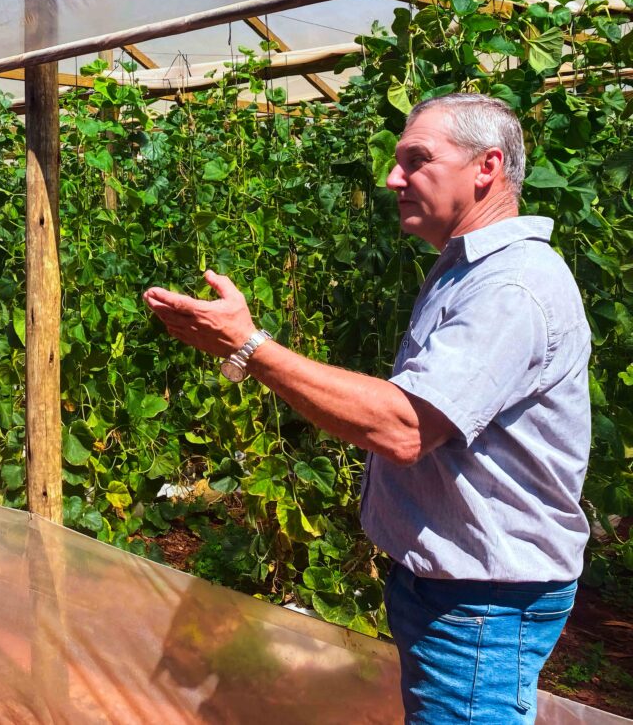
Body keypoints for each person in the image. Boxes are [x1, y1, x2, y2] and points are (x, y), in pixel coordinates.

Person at [143, 93, 590, 724]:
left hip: (482, 604)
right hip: (453, 590)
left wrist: (249, 347)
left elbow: (405, 426)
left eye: (416, 159)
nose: (392, 177)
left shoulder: (511, 287)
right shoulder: (467, 269)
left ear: (486, 167)